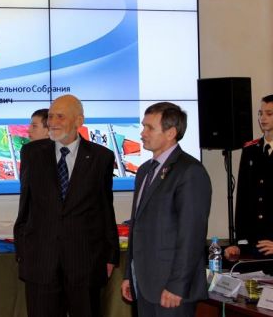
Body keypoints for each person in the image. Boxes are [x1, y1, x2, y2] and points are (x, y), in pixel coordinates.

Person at [14, 94, 119, 317]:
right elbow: (26, 206)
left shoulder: (101, 157)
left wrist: (111, 255)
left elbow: (104, 209)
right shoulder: (32, 154)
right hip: (41, 262)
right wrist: (23, 251)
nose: (53, 122)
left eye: (60, 116)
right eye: (51, 116)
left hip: (85, 262)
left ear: (79, 121)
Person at [121, 102, 212, 317]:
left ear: (171, 133)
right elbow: (138, 227)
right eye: (143, 126)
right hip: (144, 285)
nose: (142, 133)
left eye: (149, 128)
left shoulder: (190, 171)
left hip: (171, 289)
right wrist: (129, 275)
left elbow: (191, 235)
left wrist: (177, 285)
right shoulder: (144, 171)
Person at [225, 94, 273, 261]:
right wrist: (241, 241)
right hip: (254, 242)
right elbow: (243, 197)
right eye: (260, 113)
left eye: (269, 113)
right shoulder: (250, 149)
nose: (263, 118)